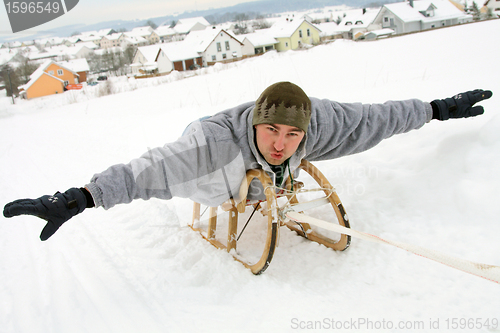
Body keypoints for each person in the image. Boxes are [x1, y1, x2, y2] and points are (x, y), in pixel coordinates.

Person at [3, 82, 493, 241]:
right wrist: (78, 198)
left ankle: (270, 186)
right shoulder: (212, 148)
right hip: (216, 176)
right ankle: (256, 188)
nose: (281, 143)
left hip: (250, 167)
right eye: (272, 131)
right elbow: (145, 171)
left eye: (291, 135)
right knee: (224, 186)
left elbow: (374, 119)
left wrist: (435, 110)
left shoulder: (316, 123)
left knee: (279, 172)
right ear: (257, 123)